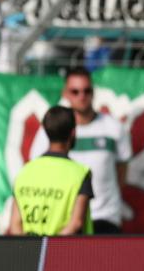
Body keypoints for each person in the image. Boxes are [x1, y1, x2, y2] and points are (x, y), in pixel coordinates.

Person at [29, 68, 130, 234]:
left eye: (87, 91)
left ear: (93, 92)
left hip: (105, 217)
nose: (82, 96)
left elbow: (122, 172)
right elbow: (38, 170)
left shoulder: (114, 128)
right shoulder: (50, 130)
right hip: (64, 221)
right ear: (65, 93)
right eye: (75, 91)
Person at [10, 105, 93, 236]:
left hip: (30, 253)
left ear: (46, 132)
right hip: (69, 253)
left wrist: (32, 249)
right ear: (73, 132)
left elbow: (15, 225)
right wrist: (51, 248)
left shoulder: (24, 172)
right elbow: (76, 223)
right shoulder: (80, 173)